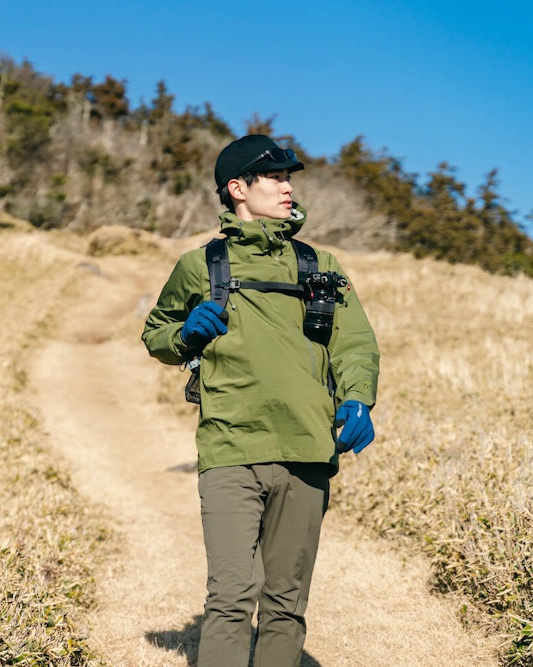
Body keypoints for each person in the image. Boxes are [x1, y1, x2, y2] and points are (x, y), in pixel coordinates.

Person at [141, 134, 380, 666]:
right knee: (229, 598)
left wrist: (359, 397)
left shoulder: (322, 263)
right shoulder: (200, 264)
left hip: (307, 449)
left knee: (285, 604)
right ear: (238, 188)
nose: (288, 188)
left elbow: (355, 342)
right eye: (276, 178)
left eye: (289, 178)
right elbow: (157, 331)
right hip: (230, 448)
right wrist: (186, 334)